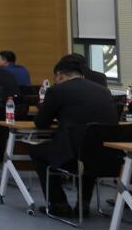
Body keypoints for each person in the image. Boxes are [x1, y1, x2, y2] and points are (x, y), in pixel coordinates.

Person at [28, 53, 118, 217]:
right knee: (89, 150)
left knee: (37, 151)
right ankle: (84, 203)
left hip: (73, 156)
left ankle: (59, 204)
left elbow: (41, 122)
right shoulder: (104, 91)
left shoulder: (57, 90)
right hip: (108, 155)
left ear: (60, 75)